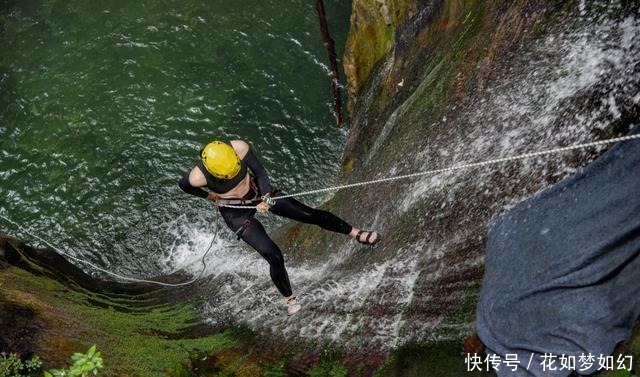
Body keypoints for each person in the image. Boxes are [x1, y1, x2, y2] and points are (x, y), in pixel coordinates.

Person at [178, 140, 382, 315]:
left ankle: (356, 233)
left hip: (257, 192)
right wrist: (209, 196)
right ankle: (290, 298)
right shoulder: (197, 177)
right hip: (235, 211)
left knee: (309, 214)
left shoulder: (239, 147)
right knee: (273, 255)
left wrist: (265, 198)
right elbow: (184, 185)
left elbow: (260, 173)